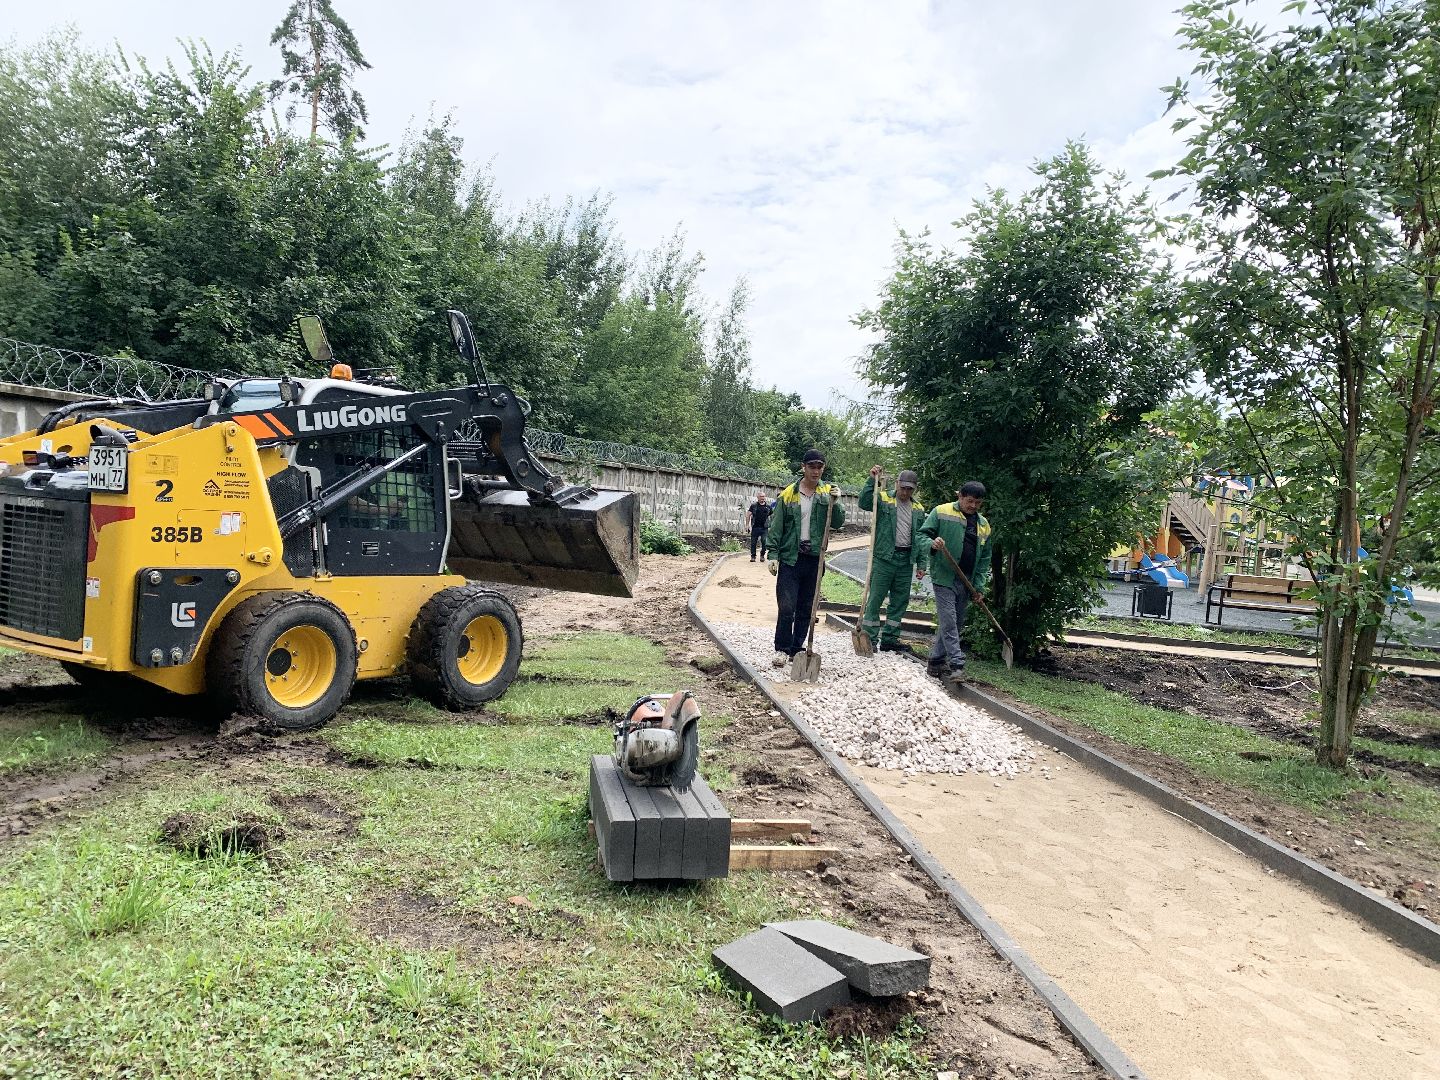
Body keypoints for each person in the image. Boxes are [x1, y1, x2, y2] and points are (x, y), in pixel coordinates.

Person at [767, 449, 846, 666]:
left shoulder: (827, 493)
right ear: (803, 468)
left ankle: (796, 649)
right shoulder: (788, 495)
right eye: (812, 466)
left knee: (806, 608)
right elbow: (777, 527)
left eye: (820, 467)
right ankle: (781, 649)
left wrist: (837, 502)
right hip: (791, 559)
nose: (816, 471)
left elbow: (838, 523)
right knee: (786, 607)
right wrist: (772, 554)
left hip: (815, 559)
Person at [919, 480, 992, 683]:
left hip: (966, 580)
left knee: (956, 623)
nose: (973, 506)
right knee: (949, 620)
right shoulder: (941, 512)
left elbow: (984, 559)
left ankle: (935, 661)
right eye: (969, 501)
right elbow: (921, 535)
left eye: (978, 503)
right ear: (959, 496)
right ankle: (957, 664)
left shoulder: (983, 525)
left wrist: (978, 587)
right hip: (944, 576)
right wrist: (932, 543)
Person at [856, 465, 929, 651]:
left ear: (914, 489)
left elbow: (920, 538)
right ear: (897, 484)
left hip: (905, 561)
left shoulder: (918, 509)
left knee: (900, 601)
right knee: (875, 599)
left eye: (909, 489)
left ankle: (890, 639)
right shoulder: (883, 499)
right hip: (884, 558)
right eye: (902, 487)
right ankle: (869, 638)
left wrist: (922, 563)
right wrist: (872, 480)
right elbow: (864, 502)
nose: (905, 492)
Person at [744, 491, 772, 561]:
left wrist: (771, 526)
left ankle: (762, 555)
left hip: (764, 528)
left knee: (764, 542)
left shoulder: (768, 507)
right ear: (758, 497)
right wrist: (747, 525)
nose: (763, 498)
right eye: (761, 497)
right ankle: (753, 556)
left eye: (764, 497)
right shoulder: (754, 506)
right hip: (755, 527)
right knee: (753, 542)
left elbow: (772, 516)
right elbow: (748, 515)